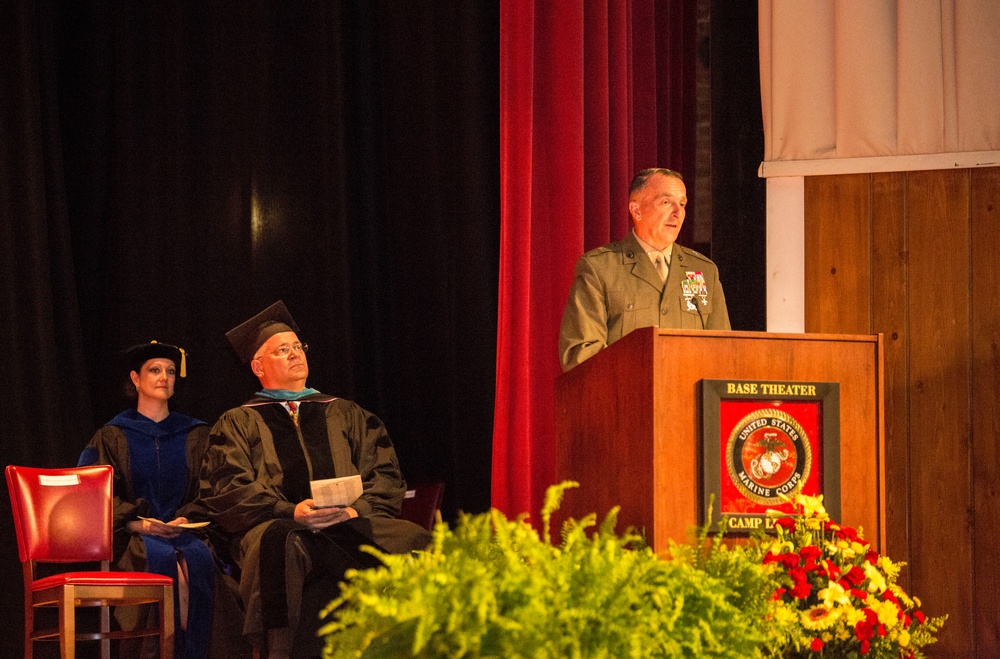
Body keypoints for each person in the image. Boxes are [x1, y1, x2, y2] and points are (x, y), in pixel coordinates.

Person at [200, 301, 431, 659]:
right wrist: (291, 511)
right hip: (279, 525)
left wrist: (357, 511)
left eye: (298, 347)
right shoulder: (238, 422)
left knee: (413, 538)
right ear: (258, 367)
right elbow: (229, 487)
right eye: (282, 350)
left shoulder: (345, 411)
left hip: (349, 520)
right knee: (278, 546)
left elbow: (384, 473)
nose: (295, 354)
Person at [78, 341, 220, 659]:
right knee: (172, 565)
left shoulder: (196, 434)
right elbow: (90, 495)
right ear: (136, 378)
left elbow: (212, 490)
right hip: (134, 539)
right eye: (154, 370)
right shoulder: (112, 435)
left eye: (170, 371)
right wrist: (135, 522)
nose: (164, 377)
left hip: (187, 531)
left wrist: (186, 517)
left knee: (195, 561)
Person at [559, 168, 731, 371]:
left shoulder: (704, 271)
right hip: (627, 398)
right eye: (666, 202)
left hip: (689, 399)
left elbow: (723, 352)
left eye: (682, 204)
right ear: (636, 210)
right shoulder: (600, 268)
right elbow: (581, 352)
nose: (678, 213)